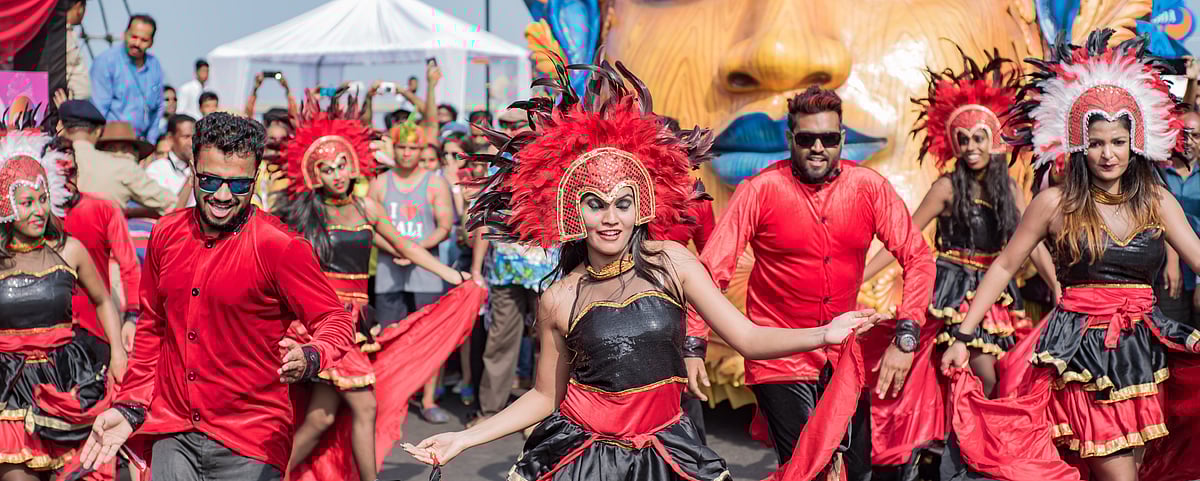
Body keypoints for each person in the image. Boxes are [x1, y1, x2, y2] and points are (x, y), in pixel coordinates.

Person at [403, 58, 882, 481]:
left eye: (622, 203)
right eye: (596, 204)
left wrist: (824, 334)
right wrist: (463, 440)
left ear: (640, 208)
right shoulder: (560, 298)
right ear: (574, 211)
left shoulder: (672, 262)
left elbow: (748, 338)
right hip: (584, 458)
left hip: (668, 450)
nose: (610, 218)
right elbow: (545, 396)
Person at [940, 29, 1200, 481]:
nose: (1108, 154)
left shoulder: (1157, 200)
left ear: (1135, 142)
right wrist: (962, 336)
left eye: (1118, 142)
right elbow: (1004, 265)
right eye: (1097, 142)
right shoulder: (1054, 204)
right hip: (1081, 355)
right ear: (1079, 143)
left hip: (1143, 353)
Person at [77, 113, 357, 481]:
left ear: (255, 180)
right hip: (173, 430)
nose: (223, 196)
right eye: (210, 181)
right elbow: (153, 329)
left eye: (238, 185)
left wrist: (312, 355)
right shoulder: (166, 234)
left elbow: (334, 320)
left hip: (250, 440)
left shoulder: (281, 247)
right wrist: (131, 404)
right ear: (193, 170)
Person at [686, 85, 936, 479]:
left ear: (842, 139)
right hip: (779, 356)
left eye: (829, 138)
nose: (818, 147)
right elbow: (711, 269)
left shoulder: (869, 188)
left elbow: (917, 257)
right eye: (806, 138)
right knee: (809, 468)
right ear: (790, 140)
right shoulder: (760, 190)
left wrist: (907, 335)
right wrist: (693, 342)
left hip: (844, 355)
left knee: (856, 471)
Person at [270, 92, 469, 481]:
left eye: (341, 164)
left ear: (353, 163)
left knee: (322, 416)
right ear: (314, 174)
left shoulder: (366, 208)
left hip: (356, 319)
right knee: (363, 407)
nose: (337, 174)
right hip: (325, 321)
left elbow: (405, 245)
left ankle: (271, 474)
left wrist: (453, 277)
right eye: (327, 169)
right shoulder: (306, 215)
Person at [861, 49, 1059, 396]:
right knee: (973, 373)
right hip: (949, 287)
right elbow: (903, 239)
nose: (970, 147)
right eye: (963, 139)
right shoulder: (946, 188)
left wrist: (1058, 287)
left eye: (978, 138)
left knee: (994, 377)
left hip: (994, 291)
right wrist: (857, 278)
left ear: (993, 141)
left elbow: (1031, 246)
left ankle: (973, 443)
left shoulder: (1010, 190)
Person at [0, 125, 127, 479]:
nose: (39, 211)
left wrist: (117, 351)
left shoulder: (68, 249)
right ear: (5, 207)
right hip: (8, 387)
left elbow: (103, 300)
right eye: (27, 203)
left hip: (67, 380)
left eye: (43, 199)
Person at [467, 108, 560, 429]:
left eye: (514, 124)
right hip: (505, 270)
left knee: (548, 343)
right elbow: (484, 223)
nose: (508, 129)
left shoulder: (554, 165)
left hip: (547, 271)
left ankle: (544, 414)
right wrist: (478, 268)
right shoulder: (497, 172)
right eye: (503, 124)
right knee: (500, 341)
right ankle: (490, 412)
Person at [368, 120, 455, 423]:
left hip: (426, 271)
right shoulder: (380, 184)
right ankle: (391, 397)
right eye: (401, 147)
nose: (406, 153)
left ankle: (428, 399)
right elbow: (371, 227)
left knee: (428, 335)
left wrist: (415, 250)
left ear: (422, 149)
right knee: (388, 336)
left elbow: (445, 226)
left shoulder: (434, 182)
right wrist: (398, 250)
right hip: (389, 269)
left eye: (413, 147)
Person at [42, 135, 141, 353]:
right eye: (59, 174)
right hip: (46, 337)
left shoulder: (104, 209)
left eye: (72, 172)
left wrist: (131, 318)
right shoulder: (34, 218)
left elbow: (130, 266)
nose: (68, 181)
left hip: (95, 331)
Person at [59, 100, 175, 216]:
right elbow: (171, 203)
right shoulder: (123, 168)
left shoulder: (48, 161)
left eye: (125, 149)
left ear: (61, 127)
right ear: (98, 131)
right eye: (112, 148)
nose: (119, 153)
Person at [89, 14, 165, 142]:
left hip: (141, 145)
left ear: (151, 43)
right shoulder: (106, 62)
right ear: (124, 34)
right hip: (111, 142)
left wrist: (150, 144)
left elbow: (158, 108)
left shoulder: (154, 65)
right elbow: (98, 111)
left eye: (144, 40)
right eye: (133, 37)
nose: (137, 43)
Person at [1157, 106, 1200, 327]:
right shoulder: (1159, 172)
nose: (1190, 140)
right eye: (1184, 134)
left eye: (1196, 135)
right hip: (1166, 268)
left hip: (1197, 267)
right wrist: (1172, 261)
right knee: (1172, 330)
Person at [145, 114, 196, 196]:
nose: (192, 143)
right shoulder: (157, 170)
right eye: (186, 137)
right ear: (170, 139)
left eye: (195, 137)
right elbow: (172, 208)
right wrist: (192, 175)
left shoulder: (203, 167)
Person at [65, 0, 89, 100]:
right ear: (79, 6)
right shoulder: (60, 35)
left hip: (75, 105)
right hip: (66, 106)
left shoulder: (70, 32)